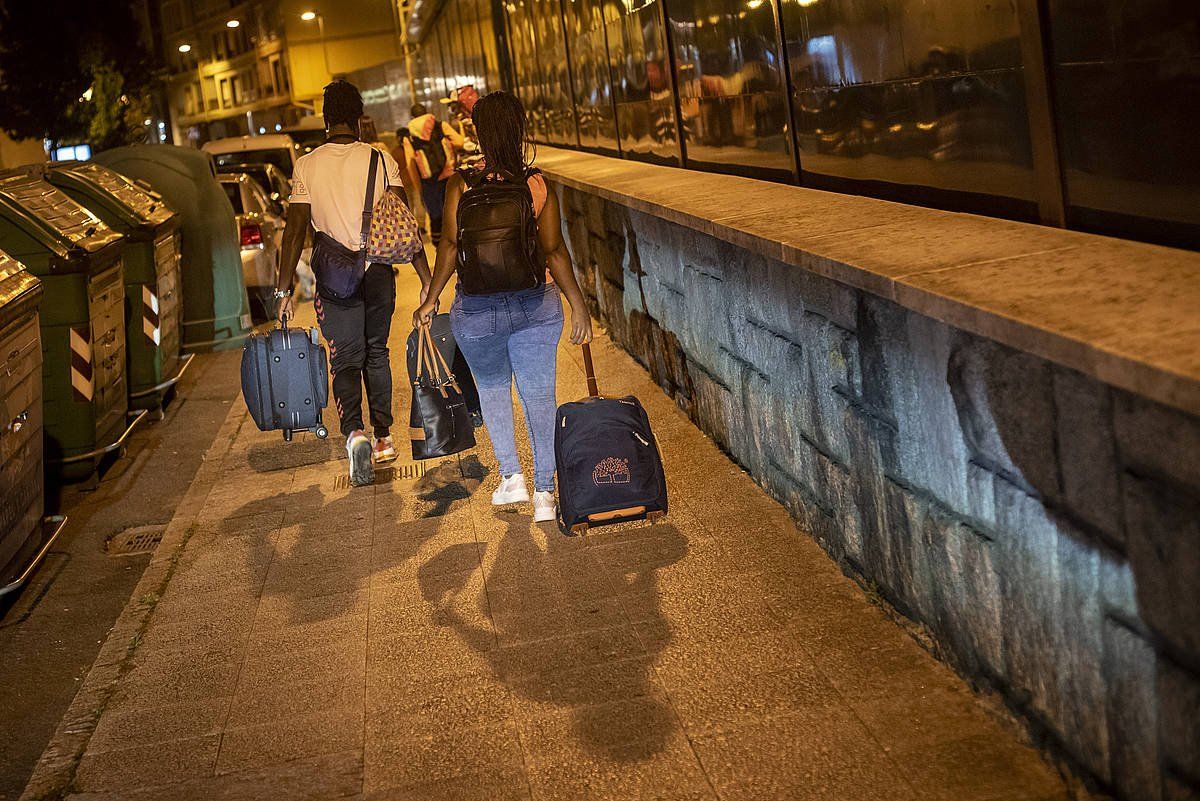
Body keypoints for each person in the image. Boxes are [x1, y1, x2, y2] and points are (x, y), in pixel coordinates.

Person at [413, 90, 592, 524]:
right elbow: (554, 251)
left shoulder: (462, 183)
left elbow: (451, 245)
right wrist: (579, 306)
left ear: (479, 132)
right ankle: (546, 493)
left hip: (476, 311)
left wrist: (431, 296)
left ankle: (512, 477)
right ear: (519, 131)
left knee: (493, 390)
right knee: (539, 396)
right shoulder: (534, 183)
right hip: (535, 304)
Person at [276, 79, 433, 486]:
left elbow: (294, 231)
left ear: (327, 120)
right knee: (377, 353)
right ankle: (383, 438)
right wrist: (426, 279)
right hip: (378, 271)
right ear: (359, 117)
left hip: (333, 278)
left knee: (345, 358)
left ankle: (355, 433)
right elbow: (401, 221)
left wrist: (284, 291)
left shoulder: (306, 165)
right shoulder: (381, 160)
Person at [403, 103, 464, 247]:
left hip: (428, 183)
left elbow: (410, 166)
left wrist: (420, 189)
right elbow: (460, 142)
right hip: (449, 176)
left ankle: (441, 249)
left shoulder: (409, 137)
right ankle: (460, 246)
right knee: (453, 212)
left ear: (412, 117)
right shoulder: (440, 125)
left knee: (436, 218)